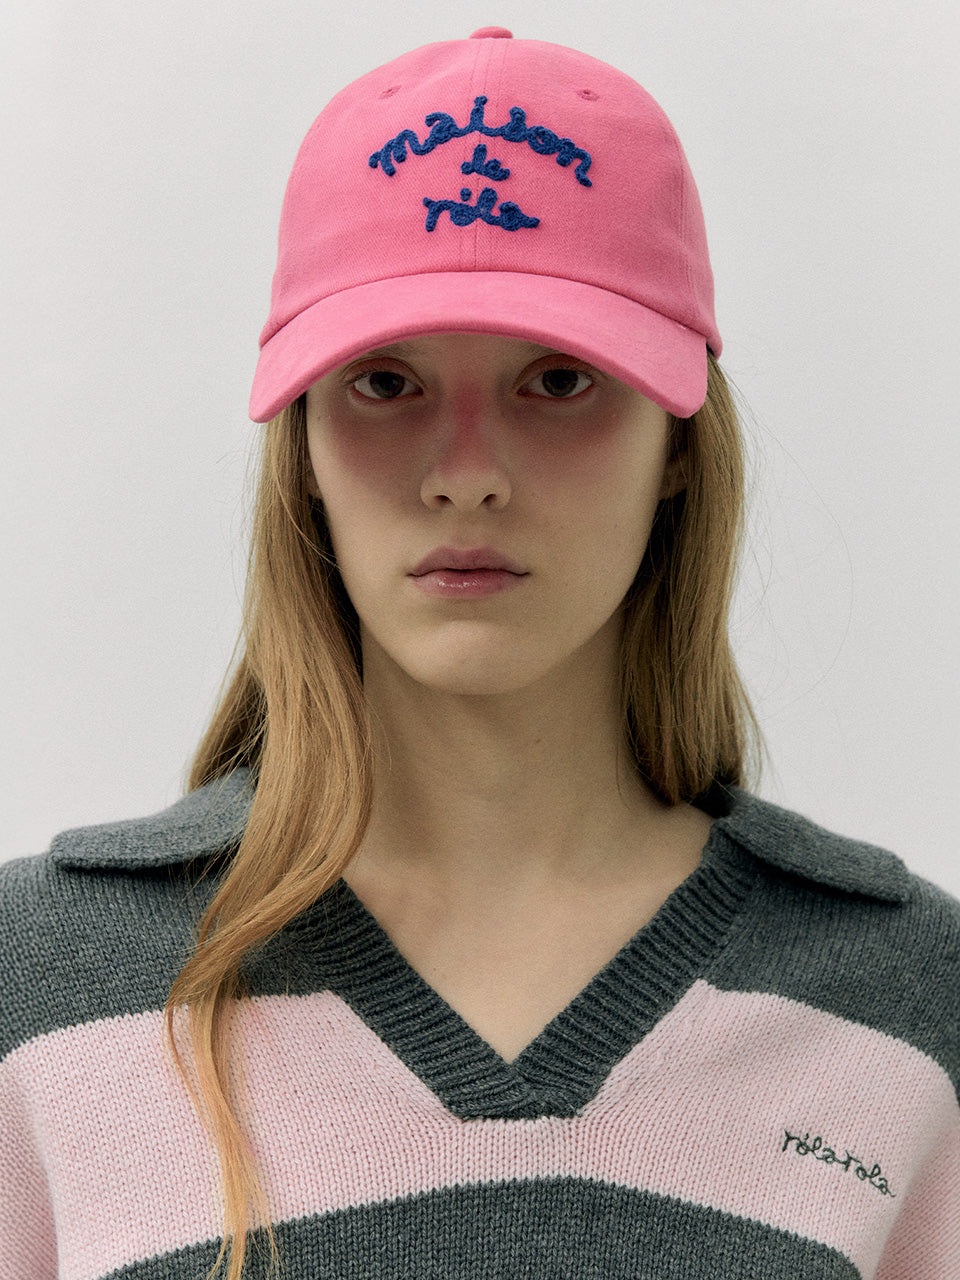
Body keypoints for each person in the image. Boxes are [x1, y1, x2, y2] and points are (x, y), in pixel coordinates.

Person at [0, 27, 957, 1280]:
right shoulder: (42, 993)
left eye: (557, 381)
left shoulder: (908, 1008)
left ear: (678, 446)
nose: (465, 475)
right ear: (302, 445)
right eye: (384, 382)